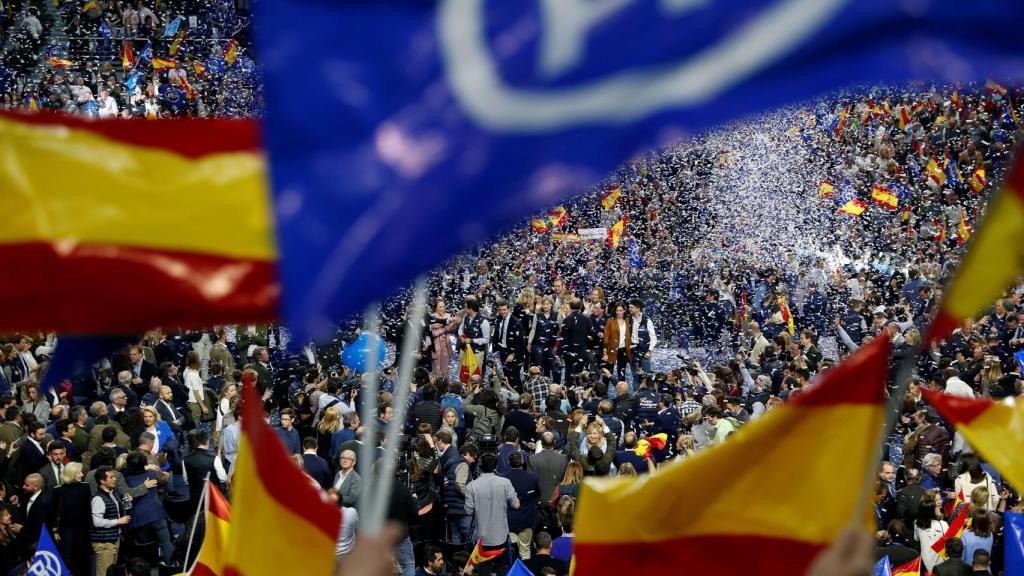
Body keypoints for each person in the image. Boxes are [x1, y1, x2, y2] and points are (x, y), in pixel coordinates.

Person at [464, 452, 519, 576]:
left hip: (482, 537)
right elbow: (516, 504)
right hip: (501, 535)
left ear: (480, 466)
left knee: (484, 568)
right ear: (495, 466)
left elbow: (468, 511)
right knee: (502, 568)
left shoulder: (471, 486)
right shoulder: (505, 482)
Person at [123, 451, 173, 565]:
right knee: (166, 544)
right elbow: (164, 479)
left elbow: (122, 472)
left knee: (143, 549)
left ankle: (144, 570)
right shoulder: (152, 474)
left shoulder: (125, 480)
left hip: (139, 519)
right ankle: (171, 568)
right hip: (157, 514)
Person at [52, 462, 93, 576]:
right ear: (72, 474)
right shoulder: (58, 490)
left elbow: (88, 509)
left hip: (83, 530)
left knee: (84, 558)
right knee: (68, 559)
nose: (82, 475)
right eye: (79, 473)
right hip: (67, 531)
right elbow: (54, 512)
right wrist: (55, 530)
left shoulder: (85, 487)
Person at [91, 465, 131, 576]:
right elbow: (97, 522)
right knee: (104, 573)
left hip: (113, 539)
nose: (115, 479)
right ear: (102, 481)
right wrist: (118, 521)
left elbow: (113, 511)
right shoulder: (98, 498)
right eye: (111, 477)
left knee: (111, 573)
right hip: (104, 543)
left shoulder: (112, 493)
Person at [504, 451, 539, 560]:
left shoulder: (503, 479)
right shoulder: (532, 478)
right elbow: (537, 495)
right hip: (526, 520)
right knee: (525, 550)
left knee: (512, 551)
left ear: (508, 462)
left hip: (510, 521)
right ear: (522, 461)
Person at [492, 300, 526, 391]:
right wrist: (495, 350)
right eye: (500, 310)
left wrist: (513, 354)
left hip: (514, 353)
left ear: (509, 309)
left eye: (504, 309)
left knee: (515, 376)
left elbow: (520, 341)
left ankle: (520, 395)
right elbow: (496, 335)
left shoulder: (516, 322)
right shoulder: (498, 319)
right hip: (502, 351)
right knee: (506, 375)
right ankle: (510, 395)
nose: (502, 312)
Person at [528, 431, 568, 504]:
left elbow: (530, 482)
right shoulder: (563, 459)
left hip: (539, 500)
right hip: (557, 500)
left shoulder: (532, 459)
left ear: (541, 443)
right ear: (554, 441)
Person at [914, 495, 949, 573]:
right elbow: (948, 541)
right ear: (931, 511)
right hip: (939, 564)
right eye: (936, 507)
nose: (938, 508)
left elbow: (916, 538)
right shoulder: (943, 524)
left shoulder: (917, 523)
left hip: (924, 563)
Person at [627, 298, 658, 380]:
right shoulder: (628, 320)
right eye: (629, 307)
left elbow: (653, 338)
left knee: (646, 377)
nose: (629, 309)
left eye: (631, 307)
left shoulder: (647, 320)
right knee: (635, 376)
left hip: (644, 351)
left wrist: (649, 350)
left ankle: (645, 388)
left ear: (638, 308)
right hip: (632, 351)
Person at [602, 302, 631, 383]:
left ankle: (621, 389)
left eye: (620, 310)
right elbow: (606, 338)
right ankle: (604, 390)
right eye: (617, 310)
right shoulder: (610, 321)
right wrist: (605, 353)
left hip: (623, 349)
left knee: (622, 372)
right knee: (608, 372)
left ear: (624, 311)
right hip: (611, 349)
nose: (618, 312)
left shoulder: (627, 321)